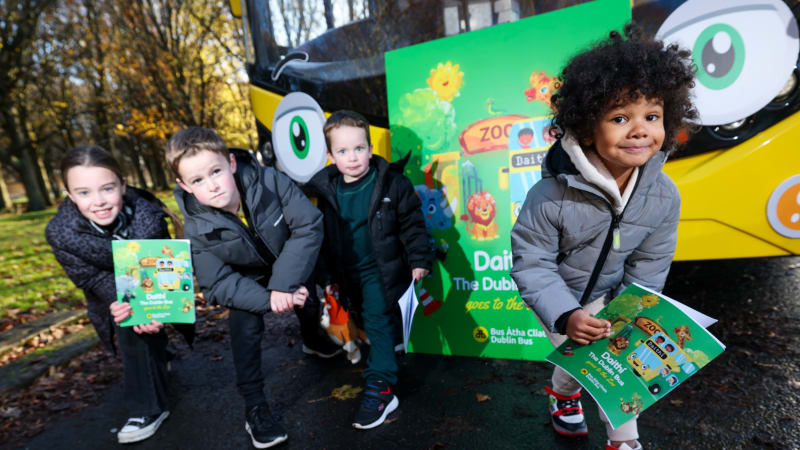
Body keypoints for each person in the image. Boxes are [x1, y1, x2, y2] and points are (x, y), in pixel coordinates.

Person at [510, 25, 697, 450]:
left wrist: (632, 314)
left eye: (652, 116)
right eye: (619, 118)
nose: (640, 130)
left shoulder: (664, 196)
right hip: (560, 300)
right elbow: (533, 263)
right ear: (586, 127)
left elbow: (650, 265)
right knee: (583, 360)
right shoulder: (551, 194)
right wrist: (566, 315)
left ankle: (601, 424)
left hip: (615, 300)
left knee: (612, 367)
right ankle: (582, 407)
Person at [167, 127, 338, 448]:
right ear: (183, 186)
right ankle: (255, 406)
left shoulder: (270, 181)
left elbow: (308, 224)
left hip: (288, 256)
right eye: (198, 181)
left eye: (215, 171)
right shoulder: (196, 226)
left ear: (231, 163)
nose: (212, 185)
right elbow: (216, 284)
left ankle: (314, 338)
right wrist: (269, 298)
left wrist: (285, 285)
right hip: (246, 276)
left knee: (309, 290)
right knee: (243, 323)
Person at [45, 146, 190, 444]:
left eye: (107, 188)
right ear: (70, 195)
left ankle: (159, 358)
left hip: (156, 282)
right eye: (83, 192)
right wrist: (127, 303)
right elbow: (89, 276)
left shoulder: (148, 216)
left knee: (143, 317)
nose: (98, 201)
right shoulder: (61, 232)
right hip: (106, 291)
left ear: (122, 185)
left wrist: (154, 308)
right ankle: (147, 407)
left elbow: (165, 263)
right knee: (127, 316)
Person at [307, 110, 433, 430]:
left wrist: (419, 260)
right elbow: (323, 239)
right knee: (366, 323)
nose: (353, 158)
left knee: (376, 320)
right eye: (343, 151)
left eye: (359, 148)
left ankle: (381, 388)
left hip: (381, 269)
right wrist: (329, 279)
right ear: (330, 155)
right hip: (348, 274)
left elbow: (413, 225)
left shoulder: (392, 183)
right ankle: (385, 351)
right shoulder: (327, 192)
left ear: (370, 147)